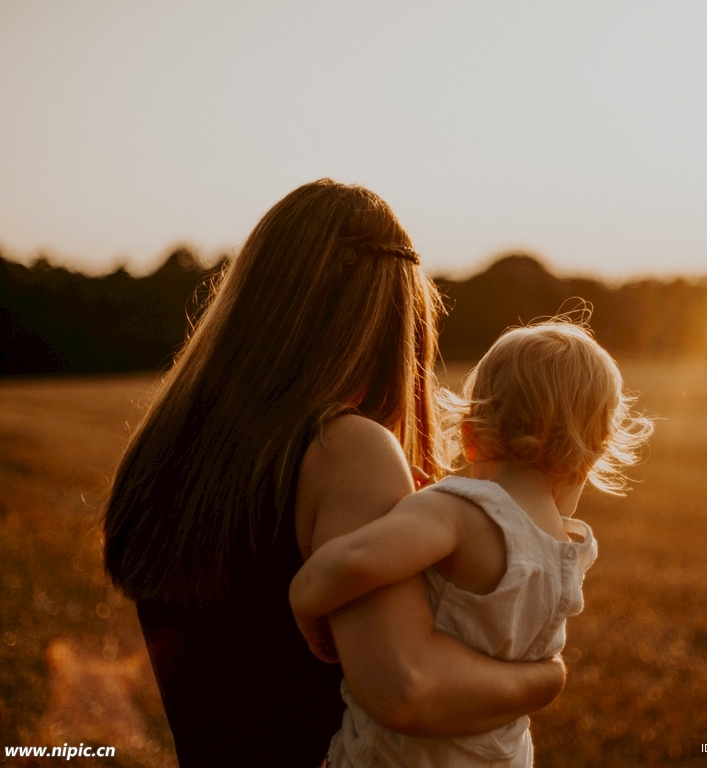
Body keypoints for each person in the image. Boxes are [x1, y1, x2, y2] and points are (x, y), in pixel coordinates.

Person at [102, 180, 566, 767]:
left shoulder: (166, 451)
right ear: (395, 323)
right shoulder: (346, 450)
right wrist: (543, 680)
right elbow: (407, 688)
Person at [290, 320, 654, 767]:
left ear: (470, 436)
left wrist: (304, 598)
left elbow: (359, 557)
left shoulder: (457, 513)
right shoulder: (568, 554)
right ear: (588, 461)